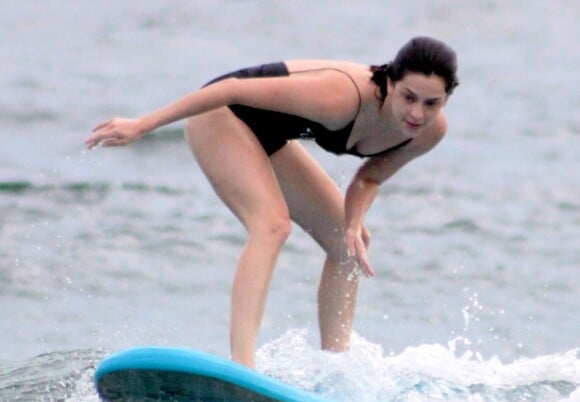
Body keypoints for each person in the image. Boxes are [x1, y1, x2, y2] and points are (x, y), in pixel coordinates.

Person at [86, 36, 459, 368]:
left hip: (269, 135)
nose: (416, 113)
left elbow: (371, 177)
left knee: (348, 244)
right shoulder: (340, 96)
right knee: (271, 226)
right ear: (391, 82)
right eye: (409, 97)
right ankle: (242, 366)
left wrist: (351, 224)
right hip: (219, 115)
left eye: (431, 103)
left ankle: (336, 369)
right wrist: (143, 125)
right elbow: (230, 91)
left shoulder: (428, 132)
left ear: (445, 100)